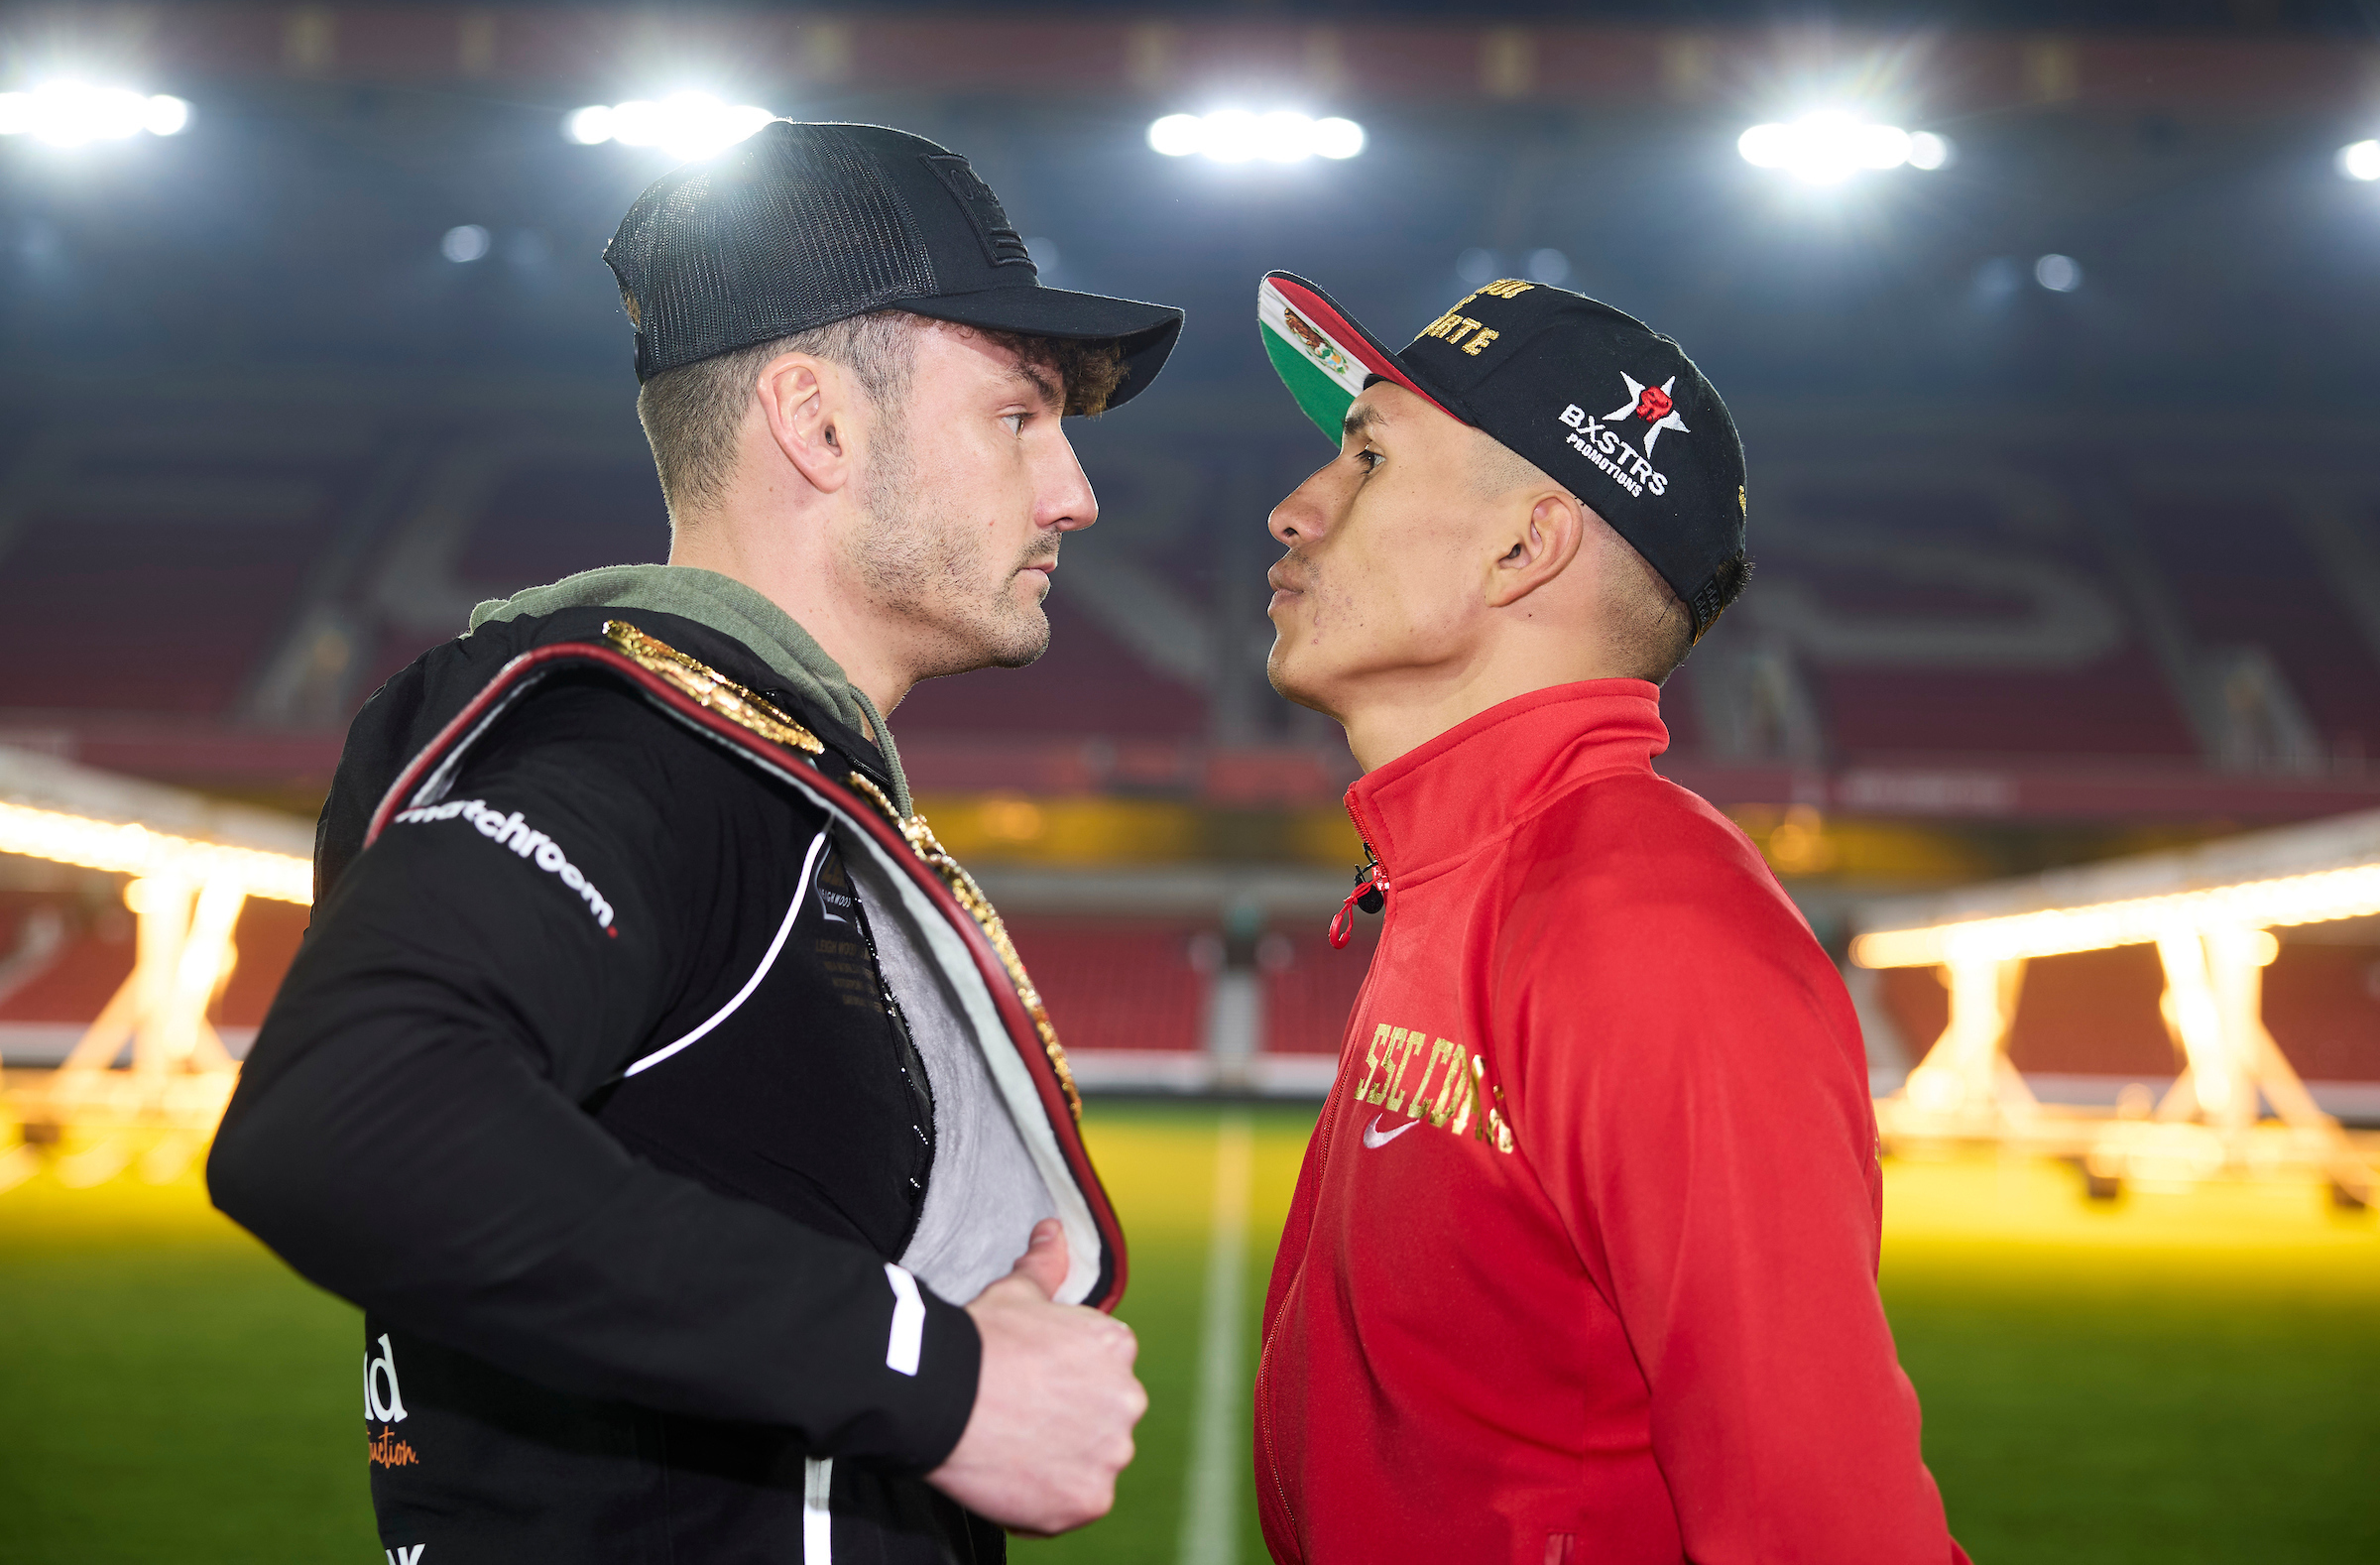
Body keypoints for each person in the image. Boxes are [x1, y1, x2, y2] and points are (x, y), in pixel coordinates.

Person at [207, 121, 1183, 1564]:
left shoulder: (763, 778)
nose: (1074, 493)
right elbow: (344, 1112)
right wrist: (937, 1375)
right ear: (818, 424)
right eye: (1018, 416)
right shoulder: (635, 756)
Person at [1247, 271, 1967, 1564]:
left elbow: (1824, 1527)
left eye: (1368, 459)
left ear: (1526, 548)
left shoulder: (1645, 924)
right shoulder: (1475, 871)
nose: (1294, 508)